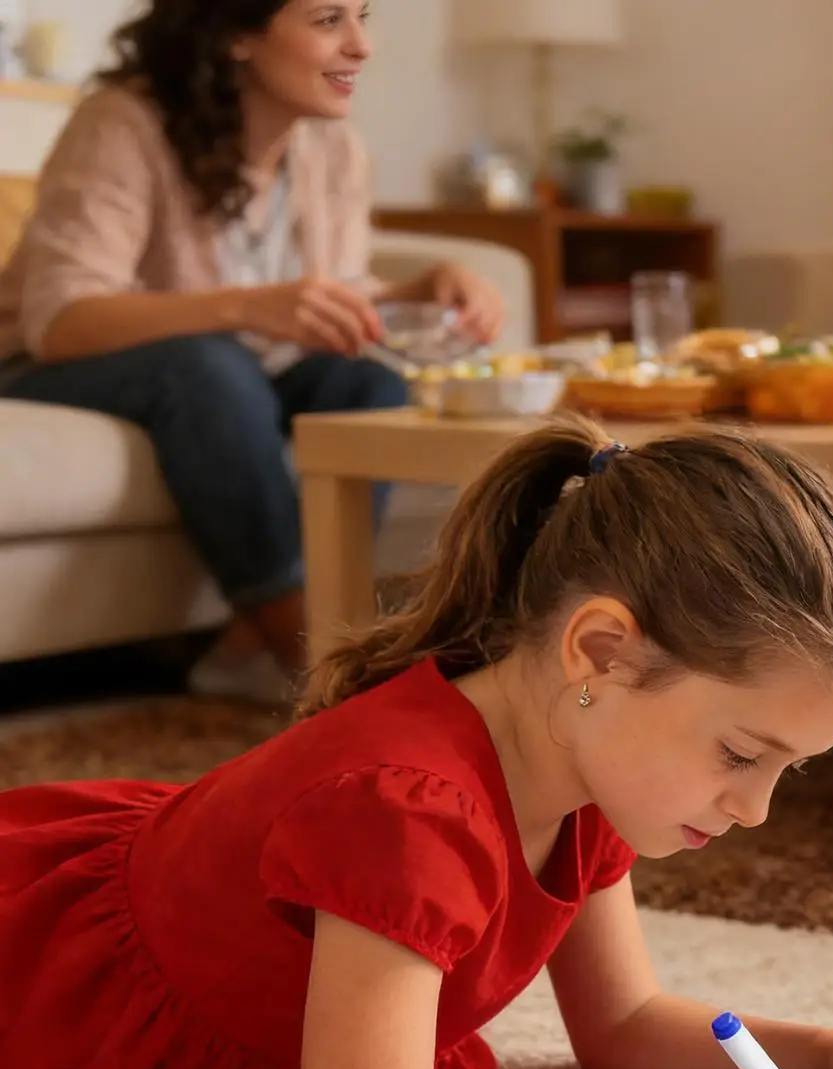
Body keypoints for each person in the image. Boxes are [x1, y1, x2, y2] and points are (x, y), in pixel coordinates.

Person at [0, 416, 833, 1069]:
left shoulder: (585, 761)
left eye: (785, 770)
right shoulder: (406, 812)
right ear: (600, 651)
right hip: (45, 1005)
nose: (754, 809)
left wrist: (831, 1053)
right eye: (741, 753)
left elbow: (621, 1023)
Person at [0, 0, 505, 705]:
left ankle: (251, 641)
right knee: (209, 363)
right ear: (236, 32)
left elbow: (331, 286)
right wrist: (242, 307)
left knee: (363, 381)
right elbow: (62, 317)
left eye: (363, 15)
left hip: (231, 371)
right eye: (328, 19)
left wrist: (416, 290)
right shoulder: (124, 121)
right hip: (51, 366)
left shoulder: (330, 147)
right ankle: (323, 665)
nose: (361, 45)